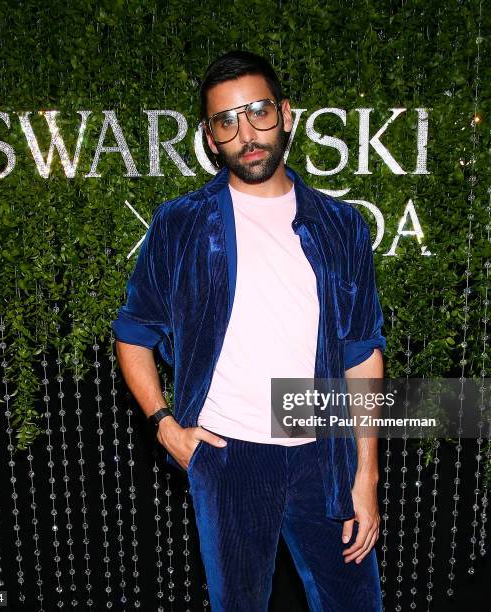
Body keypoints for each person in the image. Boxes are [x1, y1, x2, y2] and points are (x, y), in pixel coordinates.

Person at [112, 50, 386, 612]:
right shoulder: (181, 223)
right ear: (211, 138)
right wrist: (165, 426)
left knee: (357, 604)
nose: (246, 132)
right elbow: (133, 332)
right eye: (226, 121)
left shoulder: (340, 225)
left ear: (285, 114)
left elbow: (362, 352)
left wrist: (367, 472)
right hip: (229, 456)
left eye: (258, 111)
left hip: (324, 456)